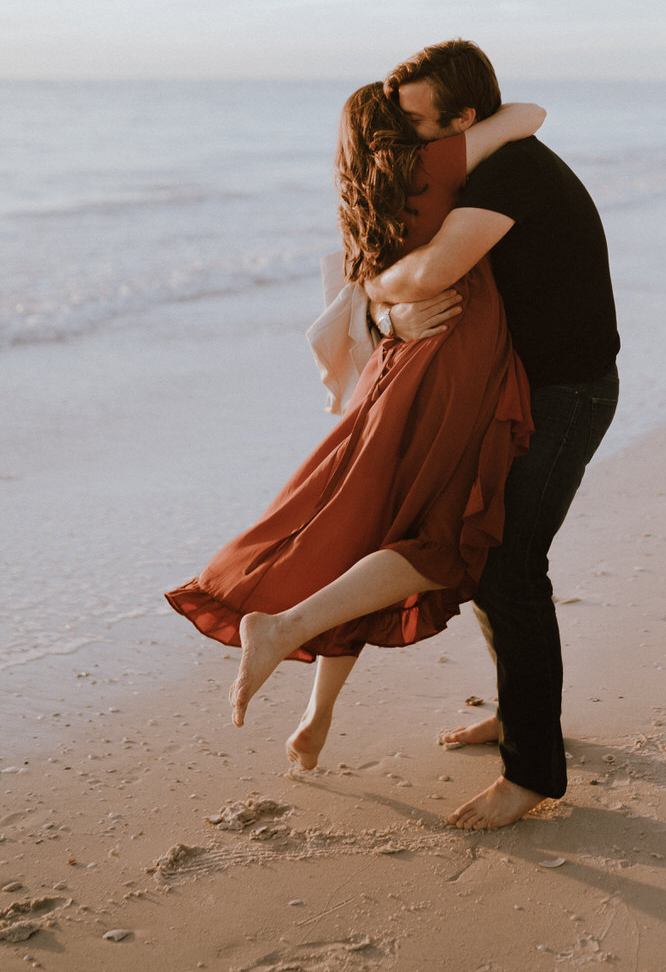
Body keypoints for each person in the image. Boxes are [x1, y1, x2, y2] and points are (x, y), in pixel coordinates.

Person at [165, 82, 544, 764]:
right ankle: (282, 631)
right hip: (449, 369)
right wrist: (455, 126)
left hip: (396, 368)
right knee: (442, 543)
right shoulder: (434, 166)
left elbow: (363, 279)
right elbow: (528, 116)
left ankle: (317, 713)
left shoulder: (361, 193)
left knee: (363, 535)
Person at [366, 39, 619, 831]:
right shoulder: (480, 165)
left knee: (510, 566)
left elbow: (434, 270)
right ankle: (520, 719)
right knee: (490, 552)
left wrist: (375, 286)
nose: (402, 141)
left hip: (567, 395)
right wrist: (385, 307)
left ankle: (533, 773)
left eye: (413, 124)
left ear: (463, 120)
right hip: (521, 390)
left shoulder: (511, 172)